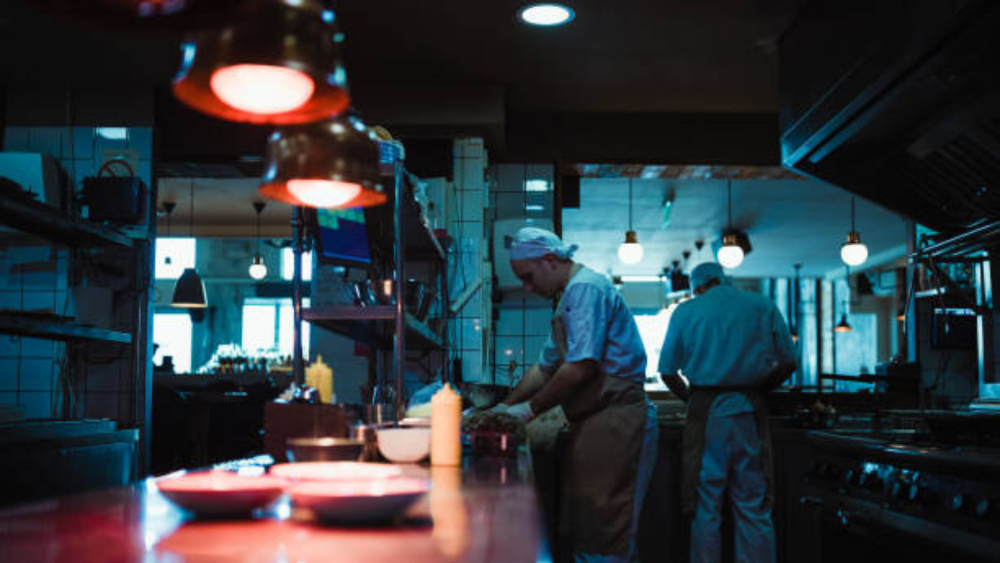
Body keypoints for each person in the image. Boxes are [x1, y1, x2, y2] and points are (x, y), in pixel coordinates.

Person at [496, 226, 658, 563]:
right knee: (593, 524)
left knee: (608, 529)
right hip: (596, 421)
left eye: (528, 277)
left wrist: (529, 410)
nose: (527, 287)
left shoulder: (586, 289)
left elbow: (581, 366)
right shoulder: (568, 298)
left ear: (550, 260)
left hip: (616, 419)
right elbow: (545, 368)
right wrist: (503, 408)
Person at [657, 262, 797, 563]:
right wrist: (759, 390)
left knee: (705, 504)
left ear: (698, 287)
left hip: (706, 415)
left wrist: (692, 399)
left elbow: (667, 371)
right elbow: (789, 362)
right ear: (724, 279)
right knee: (753, 502)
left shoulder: (687, 311)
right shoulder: (762, 304)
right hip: (749, 409)